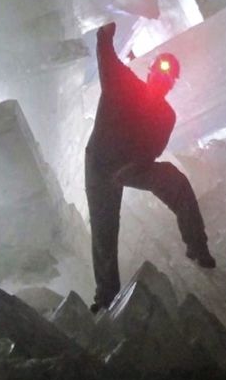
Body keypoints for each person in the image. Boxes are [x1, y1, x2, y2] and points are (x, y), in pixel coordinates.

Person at [85, 20, 215, 312]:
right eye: (161, 71)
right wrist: (105, 34)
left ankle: (198, 247)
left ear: (171, 84)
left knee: (175, 180)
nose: (164, 79)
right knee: (104, 229)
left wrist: (130, 170)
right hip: (99, 165)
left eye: (170, 77)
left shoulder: (165, 116)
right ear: (151, 71)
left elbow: (151, 152)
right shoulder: (123, 83)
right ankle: (105, 297)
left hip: (131, 166)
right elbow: (106, 56)